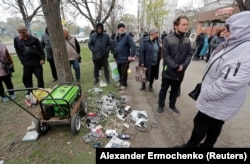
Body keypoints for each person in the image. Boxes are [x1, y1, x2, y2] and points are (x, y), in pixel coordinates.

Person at [177, 11, 250, 148]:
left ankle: (190, 147)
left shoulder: (245, 50)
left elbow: (230, 82)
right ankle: (207, 146)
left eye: (228, 28)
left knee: (201, 123)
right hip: (220, 100)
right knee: (215, 124)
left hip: (217, 99)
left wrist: (206, 93)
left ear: (240, 29)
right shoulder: (234, 44)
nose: (225, 31)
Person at [157, 16, 192, 116]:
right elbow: (166, 55)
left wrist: (183, 66)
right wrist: (176, 67)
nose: (186, 27)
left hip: (180, 73)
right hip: (168, 72)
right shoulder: (167, 39)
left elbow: (189, 54)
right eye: (183, 24)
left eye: (187, 24)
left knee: (175, 91)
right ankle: (160, 105)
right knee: (163, 90)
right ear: (176, 26)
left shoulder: (187, 40)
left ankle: (172, 105)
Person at [14, 25, 45, 94]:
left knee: (39, 78)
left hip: (36, 62)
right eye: (20, 32)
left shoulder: (34, 39)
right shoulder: (16, 39)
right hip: (26, 63)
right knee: (26, 78)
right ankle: (29, 91)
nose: (22, 34)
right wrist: (21, 59)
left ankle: (41, 91)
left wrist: (42, 59)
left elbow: (41, 50)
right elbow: (17, 50)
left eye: (23, 32)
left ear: (26, 31)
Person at [113, 23, 136, 90]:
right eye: (120, 27)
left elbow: (133, 46)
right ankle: (120, 82)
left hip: (125, 58)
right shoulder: (116, 37)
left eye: (123, 27)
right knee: (119, 71)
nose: (122, 28)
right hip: (118, 58)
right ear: (118, 29)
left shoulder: (128, 37)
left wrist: (131, 55)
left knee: (124, 72)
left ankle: (124, 84)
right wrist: (114, 56)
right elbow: (115, 47)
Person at [139, 27, 161, 92]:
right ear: (152, 33)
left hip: (155, 61)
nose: (158, 34)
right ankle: (143, 85)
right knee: (143, 73)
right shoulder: (145, 40)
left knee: (153, 74)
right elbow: (141, 51)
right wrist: (142, 61)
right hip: (146, 61)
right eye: (156, 33)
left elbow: (159, 50)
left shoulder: (157, 40)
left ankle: (151, 85)